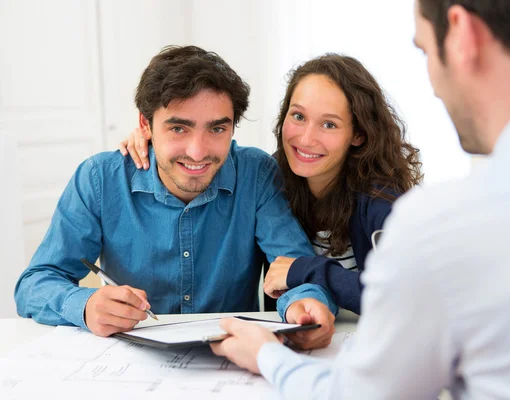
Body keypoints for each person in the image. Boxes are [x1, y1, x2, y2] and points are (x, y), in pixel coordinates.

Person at [210, 0, 510, 398]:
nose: (432, 85)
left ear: (461, 32)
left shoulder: (435, 225)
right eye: (298, 117)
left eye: (425, 50)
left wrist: (268, 356)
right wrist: (149, 150)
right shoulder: (269, 179)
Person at [14, 45, 337, 350]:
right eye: (178, 129)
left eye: (216, 129)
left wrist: (305, 306)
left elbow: (298, 270)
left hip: (232, 361)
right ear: (146, 124)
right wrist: (85, 306)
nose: (197, 152)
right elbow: (35, 284)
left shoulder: (256, 174)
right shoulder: (100, 179)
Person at [120, 54, 423, 315]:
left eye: (329, 124)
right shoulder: (273, 176)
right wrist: (157, 141)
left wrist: (304, 268)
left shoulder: (381, 200)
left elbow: (406, 297)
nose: (305, 139)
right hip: (304, 330)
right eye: (298, 116)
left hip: (371, 336)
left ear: (358, 134)